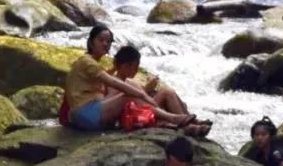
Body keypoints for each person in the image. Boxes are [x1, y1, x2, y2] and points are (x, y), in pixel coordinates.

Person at [63, 25, 201, 132]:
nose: (105, 44)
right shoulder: (87, 62)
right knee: (130, 96)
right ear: (91, 42)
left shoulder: (93, 63)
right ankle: (175, 119)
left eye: (108, 42)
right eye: (101, 40)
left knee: (164, 92)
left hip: (89, 112)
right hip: (86, 114)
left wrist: (144, 92)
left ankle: (188, 122)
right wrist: (143, 94)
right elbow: (113, 82)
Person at [111, 46, 211, 134]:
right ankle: (187, 125)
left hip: (142, 109)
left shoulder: (128, 81)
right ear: (125, 66)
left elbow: (140, 97)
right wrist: (147, 90)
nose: (137, 70)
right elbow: (127, 102)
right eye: (135, 67)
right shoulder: (113, 82)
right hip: (132, 115)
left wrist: (148, 89)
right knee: (166, 92)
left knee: (168, 92)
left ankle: (190, 119)